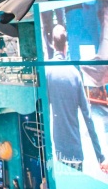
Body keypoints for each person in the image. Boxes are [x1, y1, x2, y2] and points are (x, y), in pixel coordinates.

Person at [46, 24, 108, 173]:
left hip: (57, 150)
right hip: (75, 152)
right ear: (66, 45)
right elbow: (88, 118)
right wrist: (100, 157)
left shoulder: (47, 71)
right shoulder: (74, 74)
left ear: (53, 44)